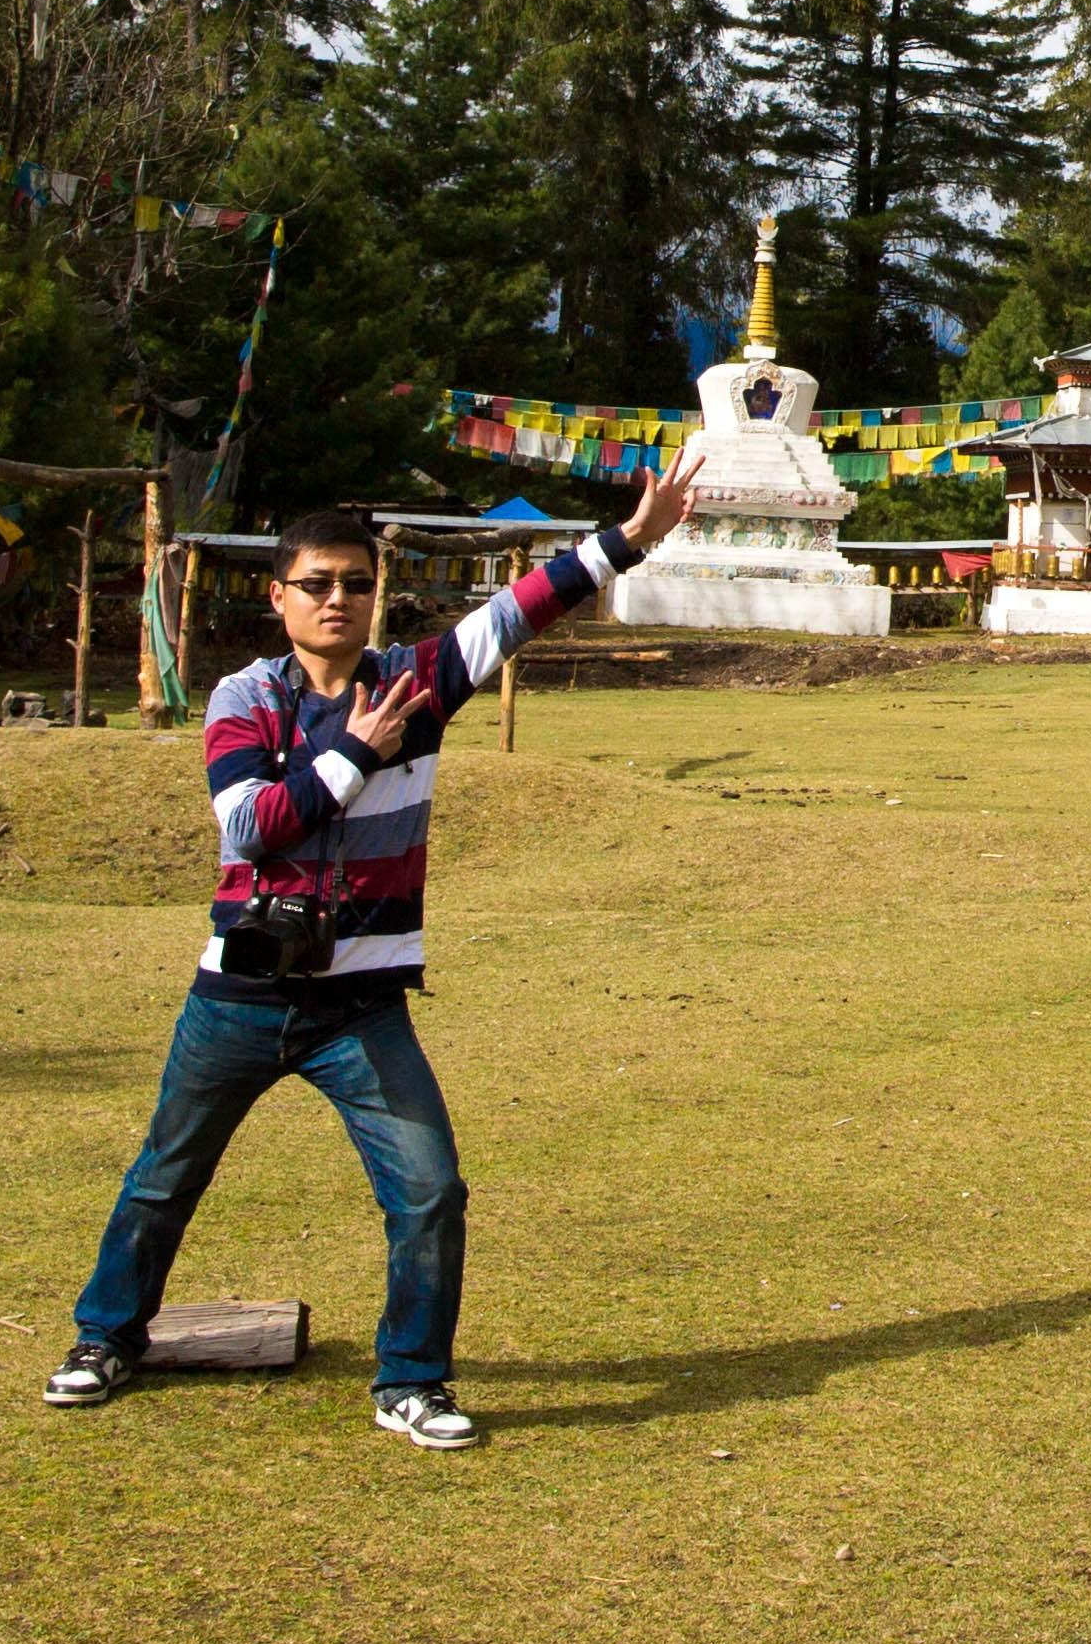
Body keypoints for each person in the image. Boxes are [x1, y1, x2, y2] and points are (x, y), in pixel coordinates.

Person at [49, 469, 695, 1446]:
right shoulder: (245, 698)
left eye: (355, 582)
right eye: (315, 584)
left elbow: (518, 612)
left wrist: (629, 537)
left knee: (430, 1190)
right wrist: (352, 756)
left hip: (362, 1009)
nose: (337, 600)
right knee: (164, 1175)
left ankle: (412, 1382)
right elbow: (247, 827)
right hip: (239, 998)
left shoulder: (415, 683)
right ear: (279, 597)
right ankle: (105, 1338)